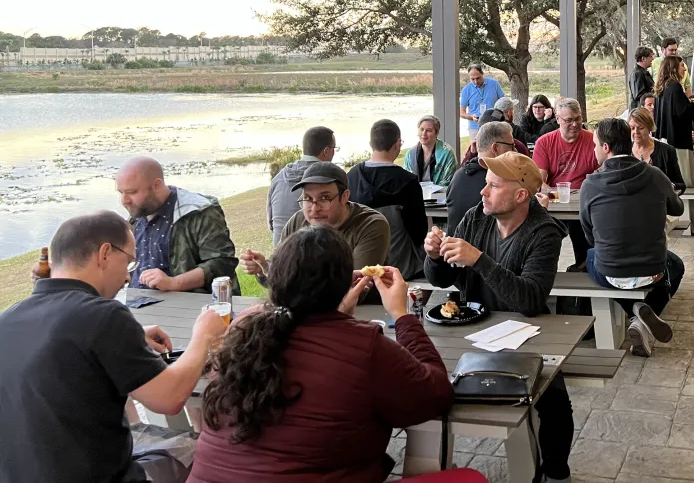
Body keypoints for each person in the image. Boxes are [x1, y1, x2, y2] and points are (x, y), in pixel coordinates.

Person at [190, 226, 454, 483]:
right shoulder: (364, 345)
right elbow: (434, 393)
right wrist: (401, 314)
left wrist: (338, 314)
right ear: (340, 284)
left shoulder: (244, 325)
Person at [0, 210, 226, 483]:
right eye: (129, 263)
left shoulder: (9, 318)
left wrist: (129, 338)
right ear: (105, 253)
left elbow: (62, 350)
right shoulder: (104, 315)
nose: (129, 278)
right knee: (204, 449)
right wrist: (203, 336)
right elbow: (169, 399)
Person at [423, 152, 573, 483]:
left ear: (521, 195)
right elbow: (442, 279)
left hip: (528, 332)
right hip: (472, 327)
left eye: (492, 185)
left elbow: (531, 299)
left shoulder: (543, 232)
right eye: (485, 184)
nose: (482, 192)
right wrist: (434, 256)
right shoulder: (476, 217)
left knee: (554, 401)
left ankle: (557, 472)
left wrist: (479, 260)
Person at [581, 118, 686, 357]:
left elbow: (590, 235)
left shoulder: (590, 184)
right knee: (676, 265)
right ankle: (641, 316)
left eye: (595, 144)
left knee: (588, 256)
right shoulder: (655, 175)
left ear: (606, 147)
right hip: (653, 270)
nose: (594, 149)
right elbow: (678, 209)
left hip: (610, 271)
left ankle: (635, 314)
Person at [241, 162, 391, 288]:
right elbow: (278, 277)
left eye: (324, 198)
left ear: (344, 197)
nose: (314, 208)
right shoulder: (298, 221)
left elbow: (355, 287)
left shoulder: (371, 225)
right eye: (307, 198)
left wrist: (290, 278)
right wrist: (263, 268)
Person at [116, 156, 239, 294]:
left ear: (157, 185)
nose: (124, 201)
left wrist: (173, 283)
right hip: (139, 304)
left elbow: (222, 262)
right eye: (121, 192)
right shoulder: (137, 214)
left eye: (132, 192)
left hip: (193, 307)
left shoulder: (199, 212)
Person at [349, 120, 428, 279]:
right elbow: (419, 233)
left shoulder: (351, 177)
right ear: (398, 144)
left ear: (371, 143)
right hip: (400, 265)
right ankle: (413, 304)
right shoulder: (408, 182)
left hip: (358, 264)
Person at [533, 97, 600, 266]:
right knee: (545, 235)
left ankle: (583, 266)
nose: (575, 124)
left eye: (578, 119)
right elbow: (539, 181)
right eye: (569, 120)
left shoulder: (593, 141)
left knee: (583, 233)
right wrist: (559, 196)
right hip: (556, 202)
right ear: (557, 119)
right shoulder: (545, 142)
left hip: (584, 203)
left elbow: (601, 176)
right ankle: (544, 270)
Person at [654, 55, 694, 235]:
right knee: (686, 182)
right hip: (679, 142)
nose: (684, 69)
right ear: (673, 67)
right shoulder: (675, 87)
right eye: (681, 66)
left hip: (666, 140)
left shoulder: (661, 89)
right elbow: (684, 113)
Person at [445, 120, 518, 235]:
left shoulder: (458, 175)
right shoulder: (500, 180)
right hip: (479, 251)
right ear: (495, 148)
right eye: (512, 146)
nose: (515, 151)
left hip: (452, 248)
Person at [268, 126, 337, 246]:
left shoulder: (278, 178)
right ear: (326, 151)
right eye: (334, 148)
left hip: (279, 250)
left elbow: (271, 224)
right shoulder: (331, 180)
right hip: (311, 251)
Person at [627, 107, 684, 191]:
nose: (636, 132)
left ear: (649, 128)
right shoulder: (624, 150)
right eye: (632, 128)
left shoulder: (667, 151)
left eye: (641, 128)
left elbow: (681, 184)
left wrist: (671, 186)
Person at [403, 115, 457, 187]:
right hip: (416, 194)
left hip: (440, 195)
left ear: (436, 133)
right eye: (421, 129)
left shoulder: (447, 153)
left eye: (428, 130)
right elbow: (406, 181)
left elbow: (447, 180)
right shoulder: (410, 154)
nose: (424, 134)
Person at [459, 63, 505, 133]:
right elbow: (462, 113)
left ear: (482, 74)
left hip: (495, 125)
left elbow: (503, 103)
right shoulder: (466, 90)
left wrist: (494, 118)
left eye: (478, 78)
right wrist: (471, 117)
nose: (476, 81)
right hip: (475, 127)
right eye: (472, 79)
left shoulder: (494, 84)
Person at [628, 46, 655, 110]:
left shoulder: (642, 72)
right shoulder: (637, 74)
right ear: (643, 58)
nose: (652, 59)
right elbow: (639, 95)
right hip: (639, 111)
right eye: (650, 57)